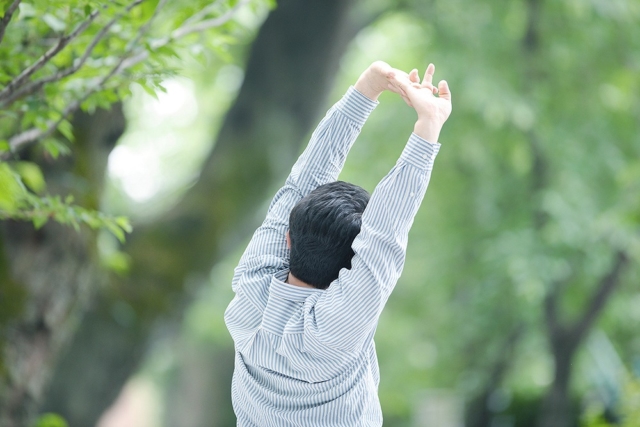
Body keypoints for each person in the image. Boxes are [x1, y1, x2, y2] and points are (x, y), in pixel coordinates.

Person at [224, 60, 452, 426]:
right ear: (351, 266)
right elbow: (382, 236)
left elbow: (304, 188)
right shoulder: (336, 328)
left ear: (288, 238)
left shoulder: (252, 289)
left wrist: (369, 91)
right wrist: (422, 119)